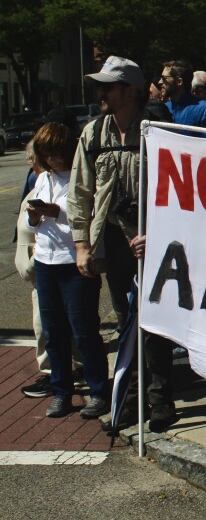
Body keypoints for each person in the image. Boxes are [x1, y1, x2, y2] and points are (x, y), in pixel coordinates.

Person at [68, 55, 179, 433]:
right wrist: (81, 243)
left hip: (154, 238)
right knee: (127, 318)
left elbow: (180, 189)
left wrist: (160, 231)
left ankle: (161, 397)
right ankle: (132, 398)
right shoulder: (93, 133)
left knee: (158, 317)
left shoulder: (158, 129)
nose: (100, 92)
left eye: (107, 86)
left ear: (127, 91)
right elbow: (80, 191)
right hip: (115, 240)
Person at [27, 122, 110, 419]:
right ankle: (62, 392)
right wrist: (35, 216)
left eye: (58, 152)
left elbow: (89, 218)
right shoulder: (41, 180)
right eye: (47, 153)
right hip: (46, 261)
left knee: (84, 331)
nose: (54, 159)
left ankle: (100, 391)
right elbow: (31, 226)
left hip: (75, 261)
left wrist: (56, 213)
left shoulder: (82, 177)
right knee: (54, 332)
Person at [158, 60, 206, 136]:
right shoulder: (164, 108)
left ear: (179, 82)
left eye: (164, 78)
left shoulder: (204, 109)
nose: (160, 82)